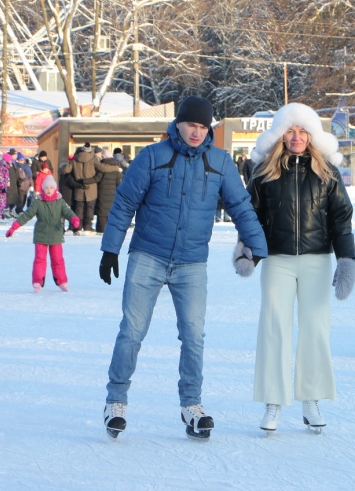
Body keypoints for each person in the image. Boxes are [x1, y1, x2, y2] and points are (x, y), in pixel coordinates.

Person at [99, 95, 267, 440]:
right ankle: (116, 401)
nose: (196, 131)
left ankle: (191, 405)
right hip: (148, 255)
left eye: (203, 126)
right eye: (191, 124)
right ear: (178, 123)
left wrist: (257, 245)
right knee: (132, 331)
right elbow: (125, 203)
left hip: (191, 263)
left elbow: (241, 205)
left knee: (194, 335)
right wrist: (110, 249)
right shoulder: (152, 157)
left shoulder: (219, 161)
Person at [245, 102, 355, 434]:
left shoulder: (327, 173)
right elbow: (250, 217)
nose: (296, 137)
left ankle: (312, 398)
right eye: (290, 130)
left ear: (312, 135)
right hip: (277, 260)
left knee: (315, 329)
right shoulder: (265, 172)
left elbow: (341, 219)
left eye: (303, 130)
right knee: (274, 327)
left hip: (316, 260)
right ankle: (273, 401)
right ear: (281, 134)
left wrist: (346, 259)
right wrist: (247, 250)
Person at [5, 175, 81, 293]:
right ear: (43, 189)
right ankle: (37, 281)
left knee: (58, 259)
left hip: (56, 234)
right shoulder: (38, 203)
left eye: (51, 188)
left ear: (55, 189)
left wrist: (74, 220)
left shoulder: (59, 202)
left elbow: (68, 212)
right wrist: (14, 227)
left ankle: (62, 281)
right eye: (46, 188)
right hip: (41, 234)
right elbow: (27, 215)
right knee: (40, 259)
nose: (49, 190)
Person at [67, 143, 120, 235]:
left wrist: (62, 168)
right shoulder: (93, 159)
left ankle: (78, 227)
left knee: (78, 208)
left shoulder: (74, 160)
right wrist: (115, 168)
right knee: (90, 209)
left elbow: (66, 170)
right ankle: (88, 227)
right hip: (91, 189)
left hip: (78, 188)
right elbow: (102, 168)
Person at [94, 149, 123, 234]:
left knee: (102, 211)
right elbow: (118, 182)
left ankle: (101, 228)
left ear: (104, 156)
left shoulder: (102, 166)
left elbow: (98, 178)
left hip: (102, 191)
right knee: (110, 210)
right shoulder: (116, 166)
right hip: (112, 192)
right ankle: (110, 228)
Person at [0, 152, 12, 223]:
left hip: (2, 187)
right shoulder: (1, 168)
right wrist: (3, 187)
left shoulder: (5, 167)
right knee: (0, 202)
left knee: (3, 202)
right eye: (10, 160)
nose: (11, 161)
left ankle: (2, 216)